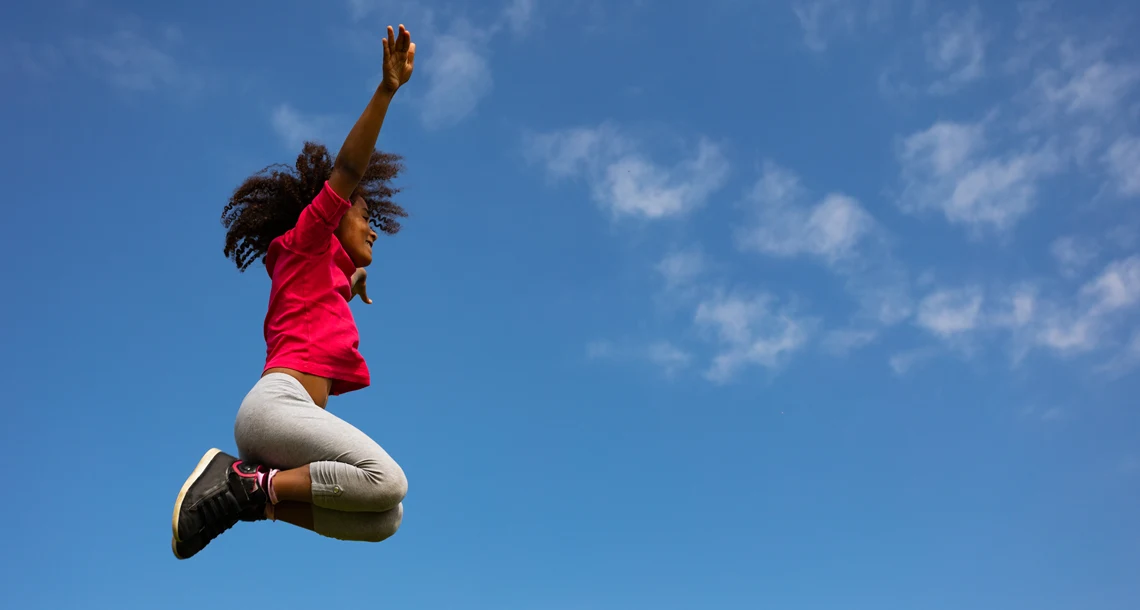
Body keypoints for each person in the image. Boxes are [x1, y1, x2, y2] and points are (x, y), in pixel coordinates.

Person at [170, 24, 417, 560]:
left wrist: (350, 281)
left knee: (385, 518)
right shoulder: (306, 240)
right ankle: (245, 484)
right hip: (275, 408)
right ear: (330, 215)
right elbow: (349, 168)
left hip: (284, 422)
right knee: (387, 480)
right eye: (365, 215)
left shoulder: (317, 273)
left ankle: (252, 498)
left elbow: (315, 308)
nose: (373, 229)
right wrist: (386, 90)